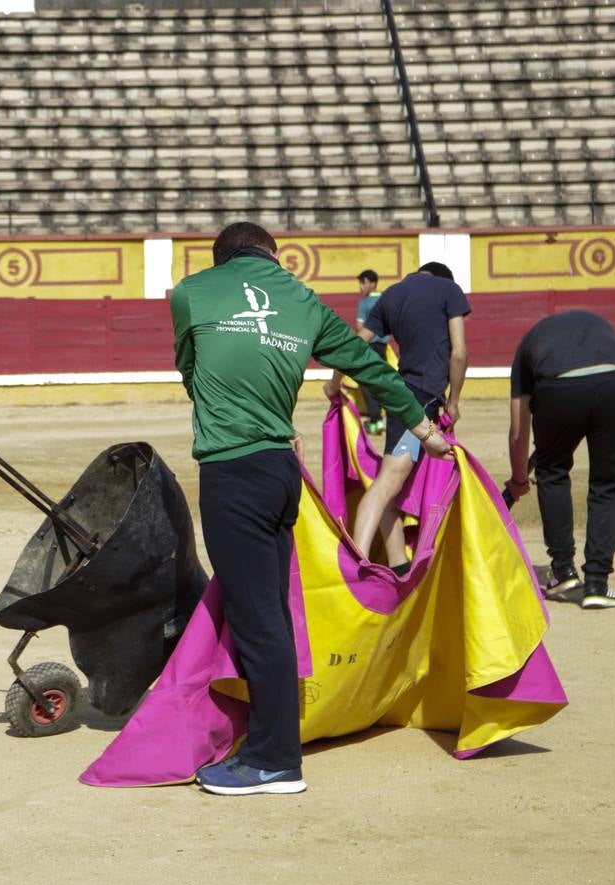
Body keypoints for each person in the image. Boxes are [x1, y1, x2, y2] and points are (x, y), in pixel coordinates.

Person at [170, 221, 450, 797]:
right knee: (268, 608)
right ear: (273, 256)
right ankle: (270, 745)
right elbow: (376, 370)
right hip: (279, 472)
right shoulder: (302, 299)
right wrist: (423, 428)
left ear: (220, 259)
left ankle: (274, 761)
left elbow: (191, 374)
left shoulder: (192, 292)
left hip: (232, 470)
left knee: (258, 617)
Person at [327, 261, 469, 574]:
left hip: (400, 397)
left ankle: (399, 564)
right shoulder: (449, 289)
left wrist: (334, 383)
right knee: (388, 482)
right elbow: (459, 352)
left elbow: (353, 345)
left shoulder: (390, 295)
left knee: (392, 482)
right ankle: (357, 562)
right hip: (422, 402)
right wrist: (454, 401)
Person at [505, 311, 615, 610]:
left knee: (552, 472)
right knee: (609, 483)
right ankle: (597, 583)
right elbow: (606, 378)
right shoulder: (600, 324)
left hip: (558, 391)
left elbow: (517, 432)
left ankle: (563, 570)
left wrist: (519, 479)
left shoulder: (527, 346)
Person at [353, 269, 388, 434]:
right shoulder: (385, 300)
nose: (360, 286)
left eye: (363, 282)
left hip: (368, 347)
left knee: (368, 383)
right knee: (383, 382)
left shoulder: (364, 303)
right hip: (383, 348)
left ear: (372, 283)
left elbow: (360, 327)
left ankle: (376, 420)